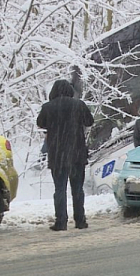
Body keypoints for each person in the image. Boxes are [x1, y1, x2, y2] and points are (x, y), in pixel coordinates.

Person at [37, 80, 94, 231]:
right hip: (77, 154)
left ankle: (61, 222)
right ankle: (80, 220)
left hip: (58, 155)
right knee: (77, 189)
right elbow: (89, 121)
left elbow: (41, 123)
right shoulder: (78, 105)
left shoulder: (48, 107)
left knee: (60, 189)